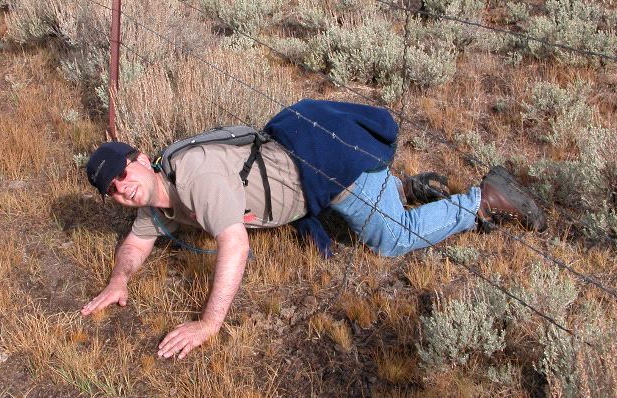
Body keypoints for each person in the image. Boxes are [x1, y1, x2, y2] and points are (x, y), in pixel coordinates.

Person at [82, 99, 546, 359]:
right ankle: (402, 186)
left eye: (123, 173)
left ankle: (482, 200)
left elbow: (235, 246)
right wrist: (119, 280)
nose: (122, 187)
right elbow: (139, 238)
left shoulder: (194, 178)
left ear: (141, 159)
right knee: (380, 214)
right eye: (113, 189)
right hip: (304, 164)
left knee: (394, 239)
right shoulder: (160, 186)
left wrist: (208, 325)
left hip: (330, 171)